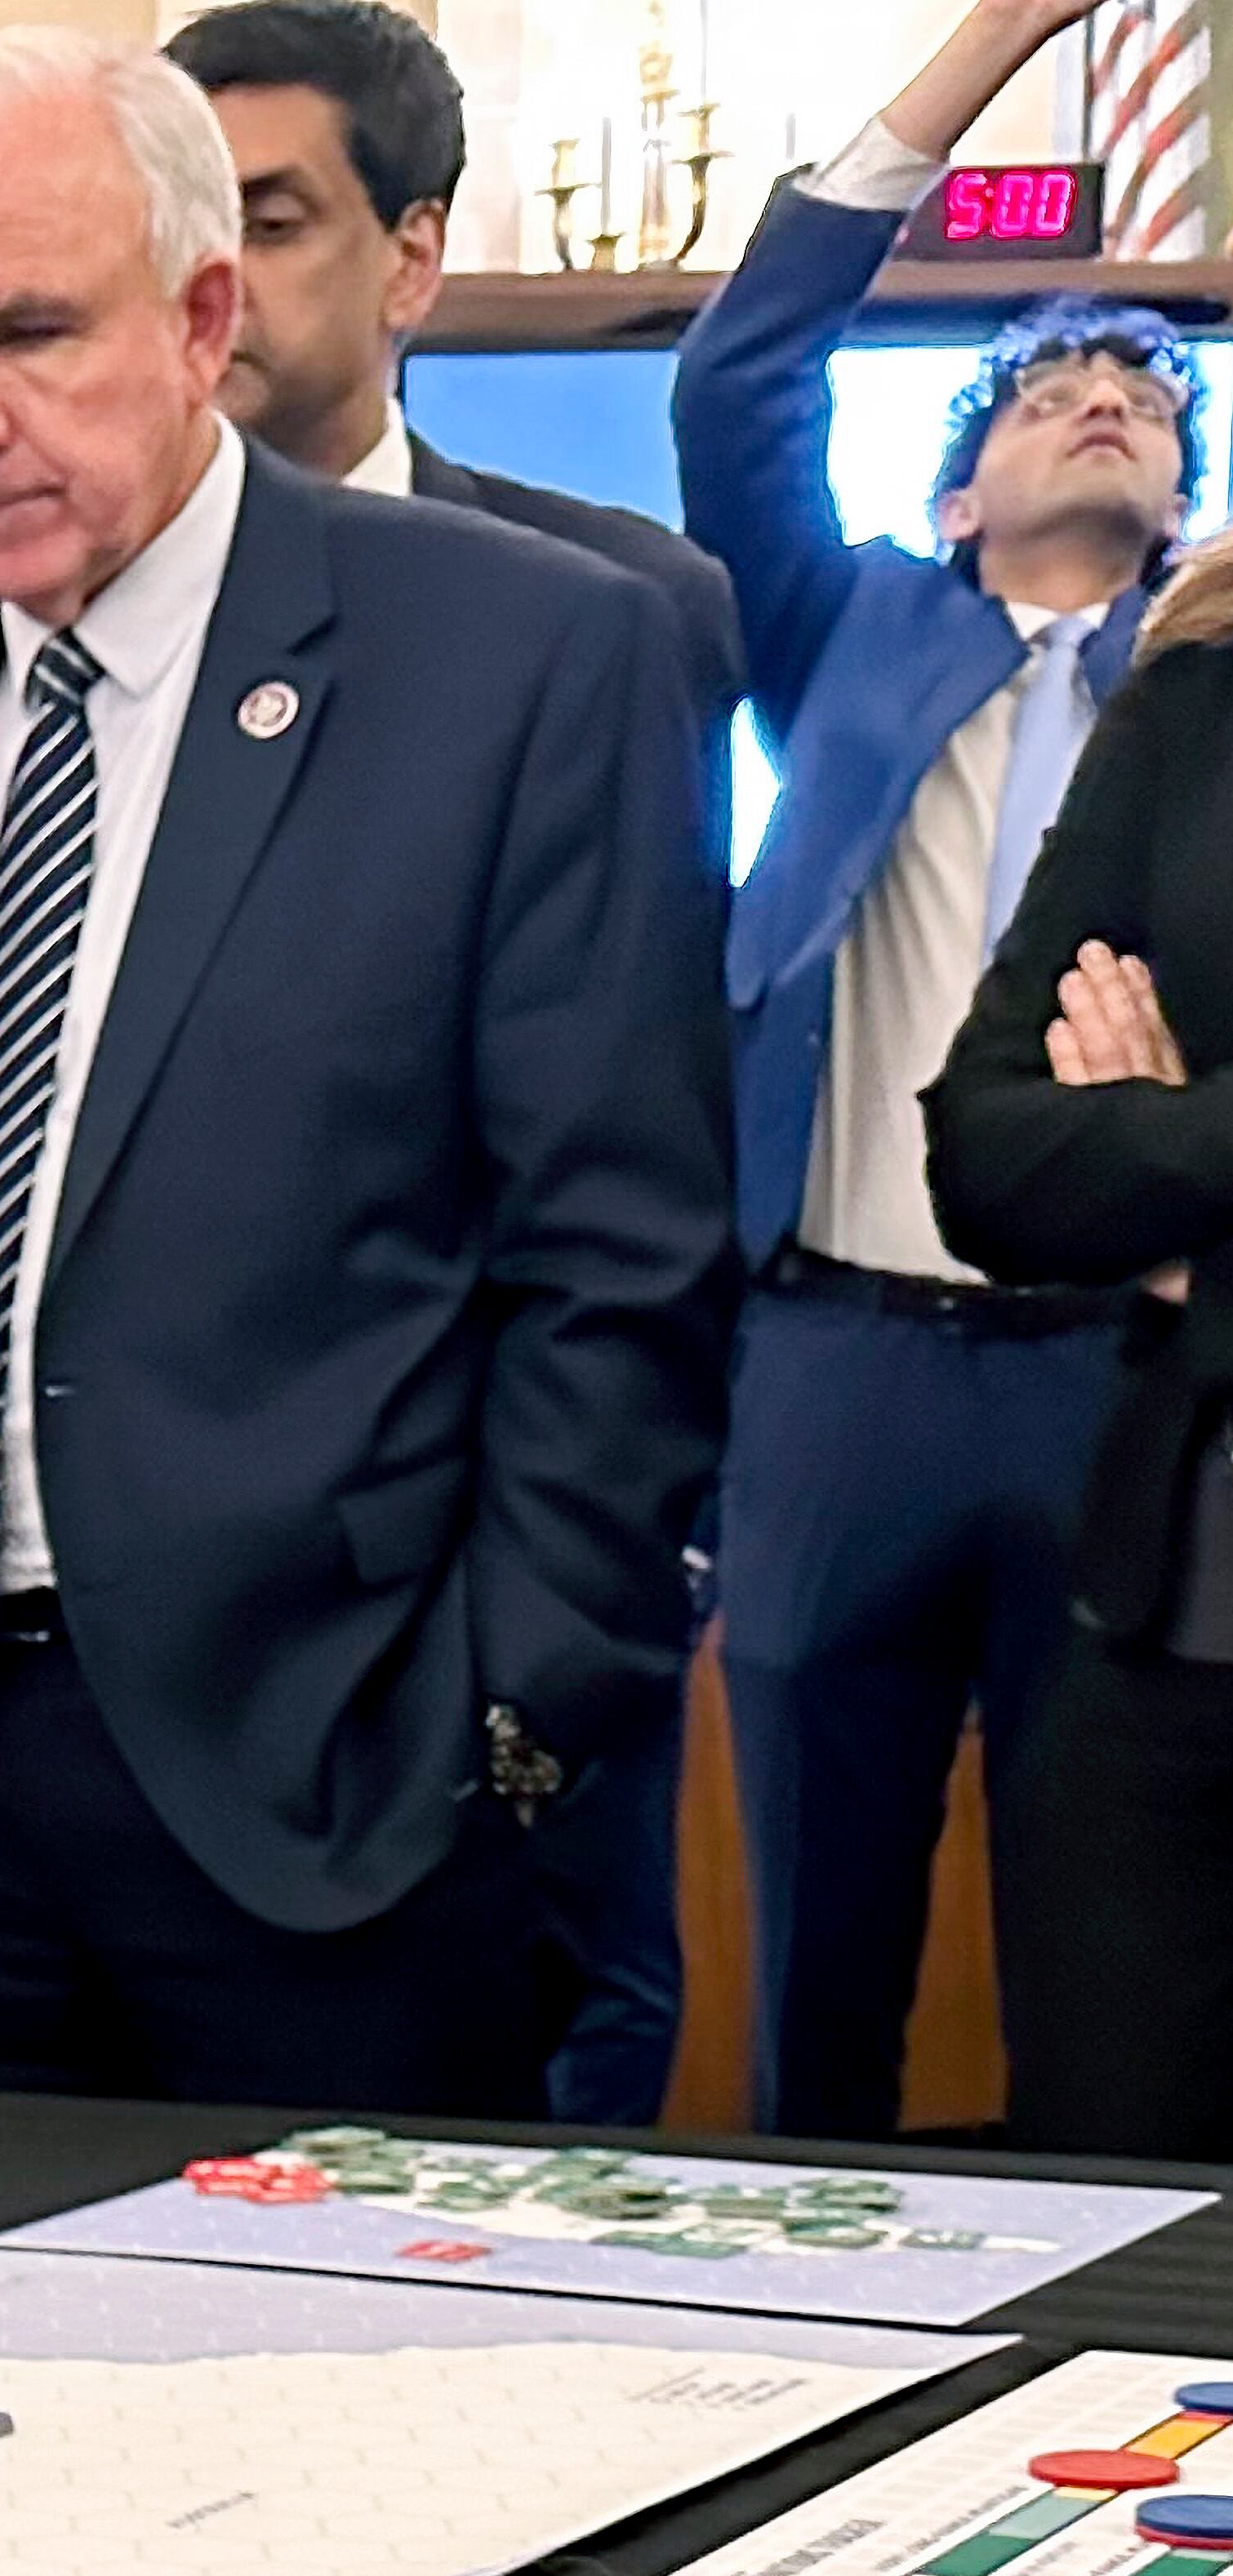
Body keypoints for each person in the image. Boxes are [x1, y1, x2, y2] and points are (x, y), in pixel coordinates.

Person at [0, 29, 732, 2113]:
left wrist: (512, 1733)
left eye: (28, 330)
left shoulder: (524, 656)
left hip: (342, 1811)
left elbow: (619, 1260)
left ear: (202, 317)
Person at [164, 0, 746, 2129]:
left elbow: (625, 1167)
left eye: (269, 221)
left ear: (411, 257)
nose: (205, 286)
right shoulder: (14, 646)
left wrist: (536, 1675)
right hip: (153, 1688)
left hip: (494, 1647)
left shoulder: (608, 612)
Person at [677, 0, 1191, 2140]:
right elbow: (734, 376)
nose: (1095, 403)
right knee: (813, 1966)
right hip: (833, 1373)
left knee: (1107, 1959)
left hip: (1114, 1377)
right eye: (1046, 390)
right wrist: (991, 41)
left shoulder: (1213, 717)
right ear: (960, 482)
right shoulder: (851, 633)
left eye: (1139, 401)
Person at [925, 548, 1233, 2161]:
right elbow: (984, 1156)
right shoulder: (1193, 687)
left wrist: (1170, 1162)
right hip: (1166, 1643)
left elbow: (1100, 1162)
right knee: (1118, 2263)